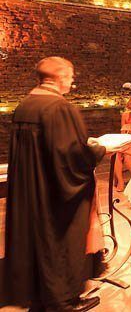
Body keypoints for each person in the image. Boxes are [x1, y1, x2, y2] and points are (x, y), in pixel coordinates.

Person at [4, 57, 106, 311]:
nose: (72, 82)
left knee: (36, 241)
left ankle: (38, 296)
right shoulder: (59, 108)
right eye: (71, 77)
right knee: (58, 241)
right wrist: (98, 150)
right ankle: (62, 300)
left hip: (32, 191)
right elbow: (72, 159)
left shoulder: (25, 106)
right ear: (59, 77)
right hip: (55, 195)